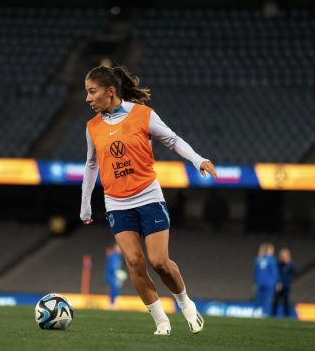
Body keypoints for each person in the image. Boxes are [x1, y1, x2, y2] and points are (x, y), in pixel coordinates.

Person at [80, 65, 217, 335]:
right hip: (116, 202)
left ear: (110, 92)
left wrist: (198, 159)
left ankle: (185, 304)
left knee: (158, 261)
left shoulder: (143, 115)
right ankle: (161, 322)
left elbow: (173, 140)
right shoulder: (92, 127)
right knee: (133, 261)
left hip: (148, 196)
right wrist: (85, 203)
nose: (87, 98)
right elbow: (91, 165)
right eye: (86, 92)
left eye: (92, 92)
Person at [253, 242, 278, 317]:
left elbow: (255, 272)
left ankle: (256, 311)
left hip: (260, 282)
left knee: (258, 298)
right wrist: (276, 282)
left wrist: (255, 282)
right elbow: (274, 272)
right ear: (268, 250)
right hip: (269, 283)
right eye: (272, 250)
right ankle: (265, 312)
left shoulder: (257, 259)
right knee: (267, 299)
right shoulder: (272, 260)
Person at [272, 248, 296, 317]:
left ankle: (287, 315)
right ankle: (273, 315)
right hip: (278, 285)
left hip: (286, 285)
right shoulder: (277, 264)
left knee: (286, 300)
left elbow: (294, 271)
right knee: (276, 300)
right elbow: (275, 273)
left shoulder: (290, 264)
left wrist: (288, 263)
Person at [105, 243, 127, 309]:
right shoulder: (113, 256)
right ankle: (111, 304)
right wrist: (118, 275)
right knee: (114, 289)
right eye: (118, 248)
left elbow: (117, 267)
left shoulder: (119, 257)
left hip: (115, 276)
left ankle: (113, 303)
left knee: (116, 289)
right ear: (115, 248)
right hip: (111, 275)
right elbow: (112, 268)